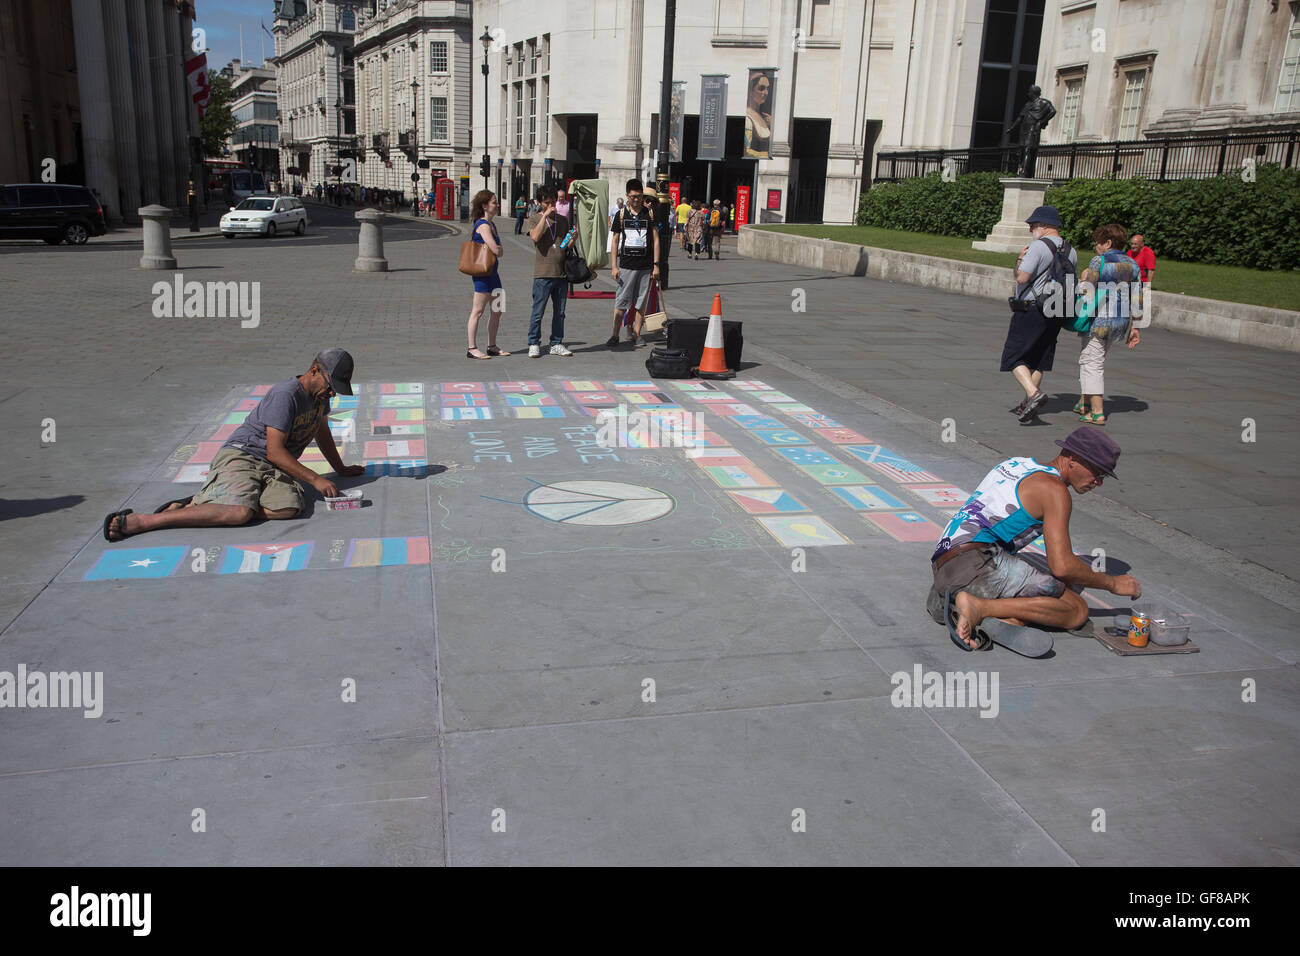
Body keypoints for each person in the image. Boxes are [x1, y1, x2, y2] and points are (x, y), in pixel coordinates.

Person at [102, 350, 364, 542]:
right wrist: (316, 479)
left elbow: (321, 431)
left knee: (289, 507)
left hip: (274, 468)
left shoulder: (319, 399)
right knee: (239, 513)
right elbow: (274, 450)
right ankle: (145, 520)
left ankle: (213, 502)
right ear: (314, 371)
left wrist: (340, 468)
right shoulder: (286, 395)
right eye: (331, 387)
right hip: (244, 456)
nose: (332, 394)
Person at [928, 427, 1142, 650]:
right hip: (977, 563)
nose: (1098, 482)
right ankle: (981, 608)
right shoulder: (1055, 490)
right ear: (1074, 459)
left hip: (945, 564)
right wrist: (1113, 583)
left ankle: (981, 606)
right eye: (1097, 473)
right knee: (1075, 609)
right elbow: (1063, 566)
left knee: (1058, 583)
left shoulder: (1017, 464)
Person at [1003, 204, 1076, 424]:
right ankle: (1028, 405)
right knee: (1038, 359)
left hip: (1032, 307)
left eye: (1033, 226)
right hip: (1057, 308)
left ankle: (1033, 394)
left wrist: (1018, 261)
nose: (1031, 230)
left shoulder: (1038, 247)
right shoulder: (1070, 250)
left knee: (1014, 356)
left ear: (1044, 226)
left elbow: (1022, 278)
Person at [1073, 223, 1142, 425]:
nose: (1096, 247)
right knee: (1097, 356)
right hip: (1121, 320)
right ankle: (1083, 402)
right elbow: (1138, 297)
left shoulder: (1099, 261)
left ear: (1108, 243)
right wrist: (1136, 327)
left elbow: (1088, 290)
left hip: (1099, 318)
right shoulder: (1133, 264)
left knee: (1091, 361)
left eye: (1098, 243)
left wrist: (1083, 278)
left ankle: (1097, 412)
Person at [607, 178, 660, 348]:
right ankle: (615, 335)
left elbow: (656, 240)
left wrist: (656, 264)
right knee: (621, 302)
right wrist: (614, 266)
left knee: (641, 303)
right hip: (626, 265)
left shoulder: (649, 213)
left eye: (639, 196)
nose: (636, 200)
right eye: (633, 196)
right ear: (627, 196)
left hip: (645, 266)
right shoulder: (621, 214)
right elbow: (615, 241)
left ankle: (637, 334)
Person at [525, 184, 574, 358]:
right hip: (542, 273)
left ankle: (556, 343)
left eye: (552, 202)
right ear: (540, 203)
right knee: (538, 311)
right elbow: (535, 237)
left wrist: (571, 239)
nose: (551, 205)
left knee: (560, 313)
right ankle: (533, 342)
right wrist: (544, 216)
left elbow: (563, 245)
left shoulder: (562, 220)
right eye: (546, 202)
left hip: (560, 273)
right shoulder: (534, 218)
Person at [466, 189, 509, 360]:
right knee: (477, 311)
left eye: (497, 202)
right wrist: (499, 250)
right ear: (484, 206)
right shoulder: (483, 225)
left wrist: (499, 250)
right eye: (494, 202)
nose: (497, 205)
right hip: (482, 274)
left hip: (493, 274)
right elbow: (496, 250)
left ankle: (492, 345)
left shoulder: (492, 225)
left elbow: (499, 251)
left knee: (498, 309)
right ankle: (472, 348)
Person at [745, 73, 773, 158]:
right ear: (751, 91)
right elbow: (747, 151)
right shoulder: (747, 118)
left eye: (767, 88)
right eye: (761, 88)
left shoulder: (765, 117)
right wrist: (768, 154)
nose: (765, 93)